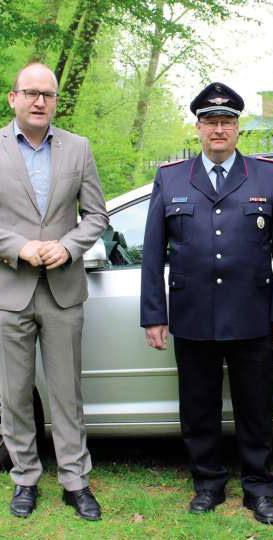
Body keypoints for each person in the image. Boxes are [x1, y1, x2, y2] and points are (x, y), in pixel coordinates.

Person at [140, 82, 273, 525]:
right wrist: (154, 315)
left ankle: (259, 488)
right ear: (198, 127)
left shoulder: (267, 176)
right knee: (198, 408)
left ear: (238, 128)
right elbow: (152, 254)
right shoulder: (171, 177)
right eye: (210, 121)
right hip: (192, 314)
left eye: (227, 121)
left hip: (252, 314)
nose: (218, 129)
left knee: (255, 408)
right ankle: (207, 485)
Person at [0, 63, 108, 520]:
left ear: (56, 101)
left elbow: (97, 216)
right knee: (14, 394)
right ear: (13, 98)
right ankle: (25, 477)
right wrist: (18, 247)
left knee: (67, 393)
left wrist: (68, 246)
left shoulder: (77, 148)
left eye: (48, 94)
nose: (40, 101)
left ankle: (75, 480)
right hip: (10, 290)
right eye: (31, 92)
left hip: (63, 290)